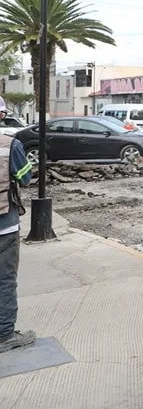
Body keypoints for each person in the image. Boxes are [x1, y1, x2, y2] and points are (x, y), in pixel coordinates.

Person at [0, 96, 35, 354]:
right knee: (4, 280)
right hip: (5, 226)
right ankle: (5, 334)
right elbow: (25, 178)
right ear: (2, 116)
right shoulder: (9, 146)